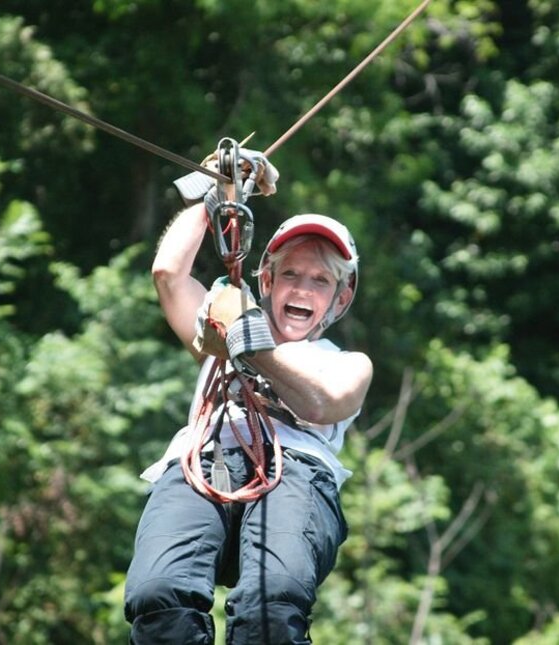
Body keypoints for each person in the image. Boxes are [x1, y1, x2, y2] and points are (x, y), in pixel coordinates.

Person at [123, 190, 373, 643]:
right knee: (158, 595)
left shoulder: (344, 362)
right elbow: (167, 273)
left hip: (296, 475)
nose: (302, 288)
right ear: (267, 282)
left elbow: (321, 404)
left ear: (341, 297)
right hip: (203, 462)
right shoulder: (218, 331)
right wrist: (210, 196)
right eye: (291, 274)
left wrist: (249, 341)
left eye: (320, 280)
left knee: (272, 607)